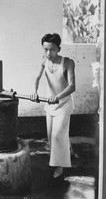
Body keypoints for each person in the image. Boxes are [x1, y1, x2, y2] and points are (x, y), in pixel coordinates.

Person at [30, 33, 75, 186]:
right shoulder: (44, 60)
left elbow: (71, 86)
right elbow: (37, 77)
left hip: (64, 104)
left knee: (57, 136)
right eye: (46, 49)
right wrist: (35, 92)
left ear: (59, 49)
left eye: (52, 50)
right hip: (50, 105)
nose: (48, 53)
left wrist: (58, 96)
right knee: (51, 136)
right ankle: (69, 150)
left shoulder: (68, 63)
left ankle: (59, 168)